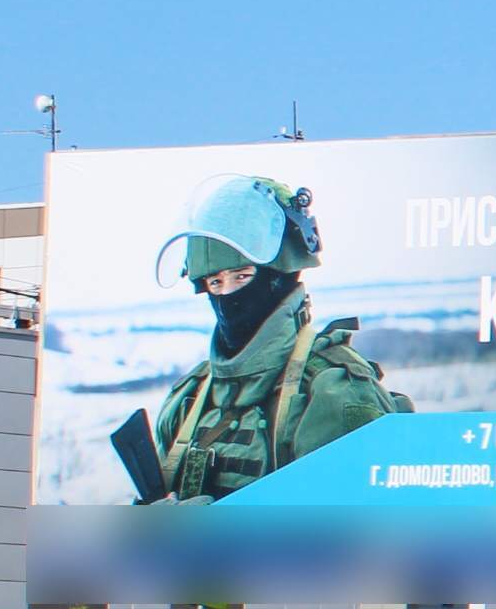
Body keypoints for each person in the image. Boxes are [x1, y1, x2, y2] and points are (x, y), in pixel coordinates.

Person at [133, 174, 409, 500]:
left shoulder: (332, 389)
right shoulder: (190, 397)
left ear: (281, 276)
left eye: (242, 276)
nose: (228, 295)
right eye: (215, 283)